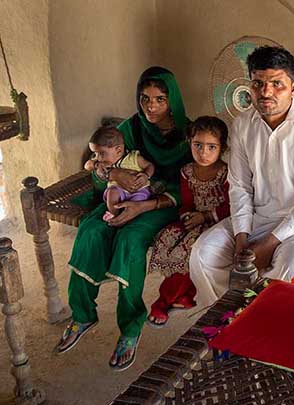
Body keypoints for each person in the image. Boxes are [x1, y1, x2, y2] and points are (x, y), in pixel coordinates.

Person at [55, 66, 191, 372]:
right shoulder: (132, 128)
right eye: (144, 98)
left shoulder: (188, 135)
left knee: (130, 241)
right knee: (91, 230)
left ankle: (130, 328)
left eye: (159, 99)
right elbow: (101, 164)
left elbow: (191, 185)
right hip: (120, 196)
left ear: (173, 100)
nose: (151, 106)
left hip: (161, 203)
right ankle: (82, 314)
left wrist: (142, 207)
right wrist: (115, 172)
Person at [190, 46, 294, 306]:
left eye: (276, 84)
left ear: (293, 88)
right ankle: (235, 320)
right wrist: (242, 239)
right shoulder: (243, 125)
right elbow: (240, 188)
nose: (266, 92)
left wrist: (268, 245)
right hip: (259, 218)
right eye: (258, 83)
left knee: (291, 272)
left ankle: (280, 339)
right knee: (203, 255)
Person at [147, 116, 230, 326]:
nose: (204, 153)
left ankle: (163, 301)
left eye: (212, 147)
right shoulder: (187, 172)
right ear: (189, 143)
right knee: (168, 238)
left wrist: (204, 216)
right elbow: (186, 202)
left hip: (217, 222)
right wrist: (187, 216)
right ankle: (184, 295)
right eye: (198, 145)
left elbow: (230, 206)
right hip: (194, 219)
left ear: (222, 147)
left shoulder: (225, 173)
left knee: (188, 250)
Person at [84, 126, 154, 222]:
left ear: (119, 150)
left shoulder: (134, 158)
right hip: (117, 190)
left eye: (101, 153)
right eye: (95, 154)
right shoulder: (101, 162)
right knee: (111, 193)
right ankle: (114, 215)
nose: (98, 158)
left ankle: (129, 216)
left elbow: (150, 165)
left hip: (138, 190)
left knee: (137, 200)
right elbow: (87, 166)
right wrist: (95, 165)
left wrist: (146, 176)